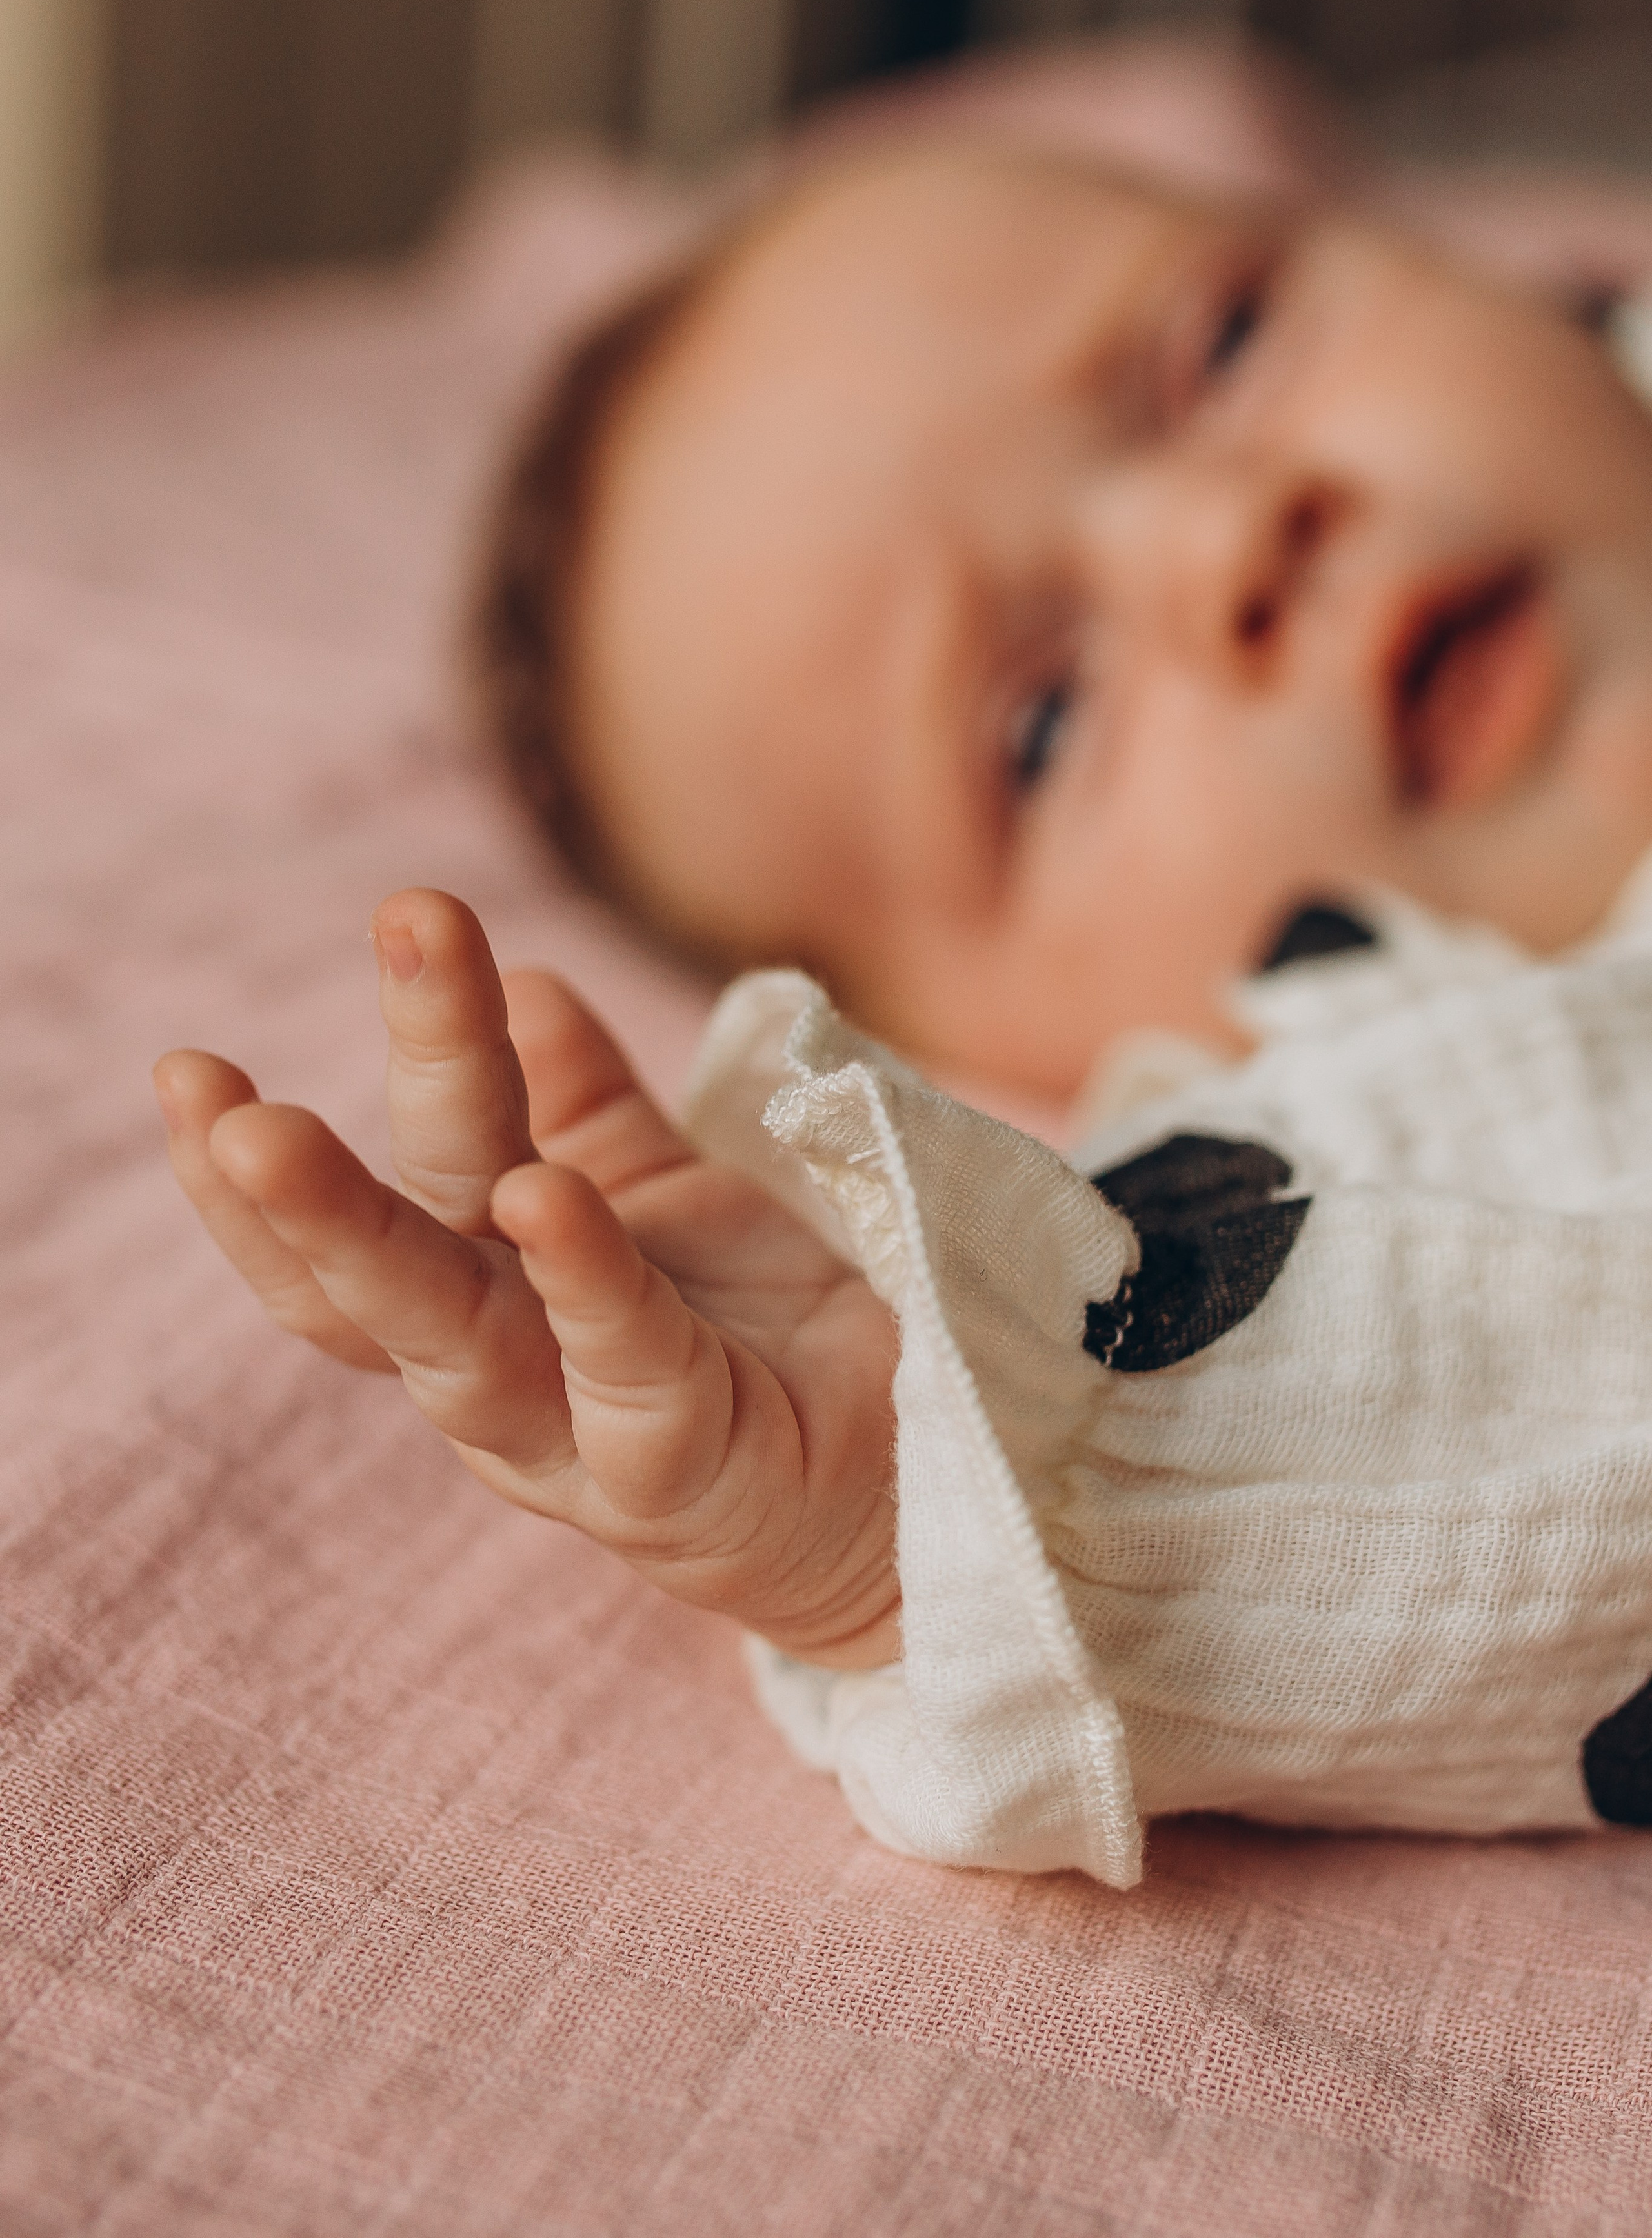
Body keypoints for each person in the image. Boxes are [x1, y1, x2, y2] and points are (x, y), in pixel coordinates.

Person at [152, 112, 1652, 1885]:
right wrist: (957, 1488)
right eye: (1039, 729)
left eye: (1222, 343)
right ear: (989, 1055)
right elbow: (1469, 1477)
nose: (1224, 536)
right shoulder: (1351, 1164)